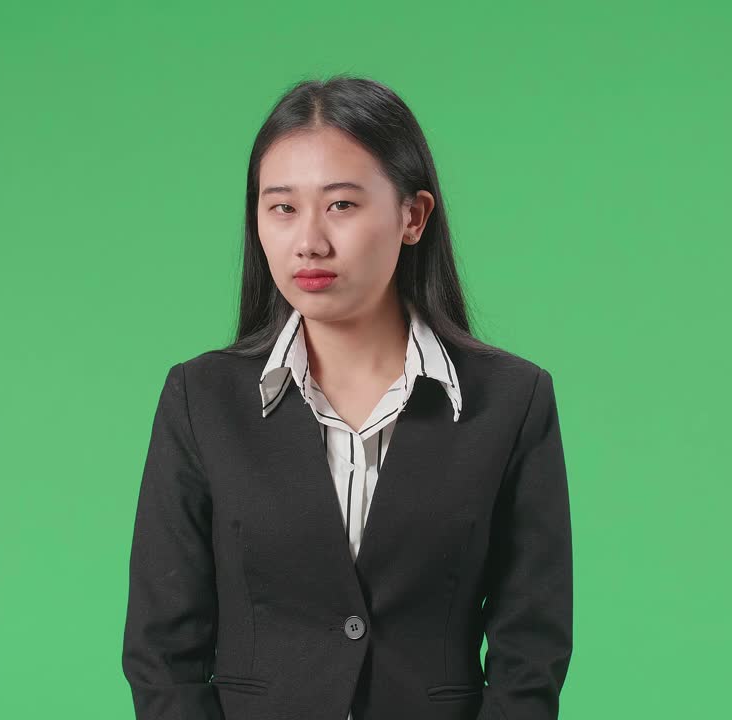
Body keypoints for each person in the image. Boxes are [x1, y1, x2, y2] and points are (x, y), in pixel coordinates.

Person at [121, 74, 573, 720]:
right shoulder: (202, 399)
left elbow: (531, 652)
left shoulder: (511, 402)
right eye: (282, 207)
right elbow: (162, 651)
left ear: (412, 217)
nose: (309, 240)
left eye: (341, 205)